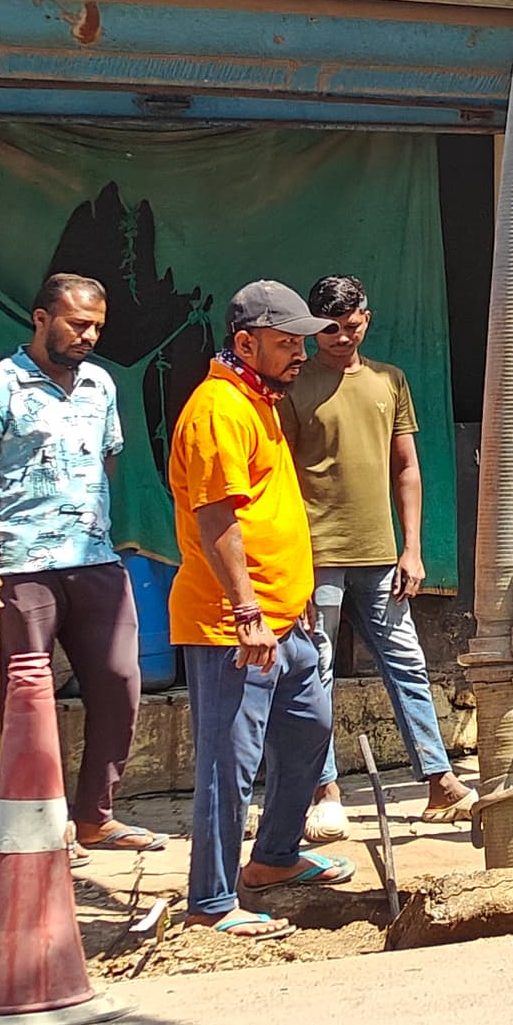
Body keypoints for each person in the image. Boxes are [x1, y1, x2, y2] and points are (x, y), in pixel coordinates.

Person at [0, 273, 163, 853]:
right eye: (76, 323)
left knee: (120, 683)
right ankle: (31, 826)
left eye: (96, 326)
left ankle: (95, 815)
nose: (88, 335)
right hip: (20, 565)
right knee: (27, 699)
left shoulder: (101, 385)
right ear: (41, 319)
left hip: (94, 558)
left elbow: (107, 461)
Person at [167, 280, 347, 936]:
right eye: (285, 341)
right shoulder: (219, 407)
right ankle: (211, 900)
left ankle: (272, 859)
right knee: (229, 761)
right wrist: (248, 610)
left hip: (282, 616)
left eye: (301, 338)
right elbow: (215, 515)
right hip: (234, 625)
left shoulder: (258, 398)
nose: (300, 351)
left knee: (309, 730)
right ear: (245, 342)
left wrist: (286, 601)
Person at [280, 275, 473, 838]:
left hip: (382, 555)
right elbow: (280, 479)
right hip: (316, 557)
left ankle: (439, 782)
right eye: (330, 328)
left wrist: (413, 549)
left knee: (407, 663)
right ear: (314, 328)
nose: (343, 337)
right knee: (315, 671)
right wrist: (291, 562)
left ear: (368, 316)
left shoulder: (391, 381)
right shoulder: (294, 386)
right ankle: (325, 790)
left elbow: (407, 468)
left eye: (352, 323)